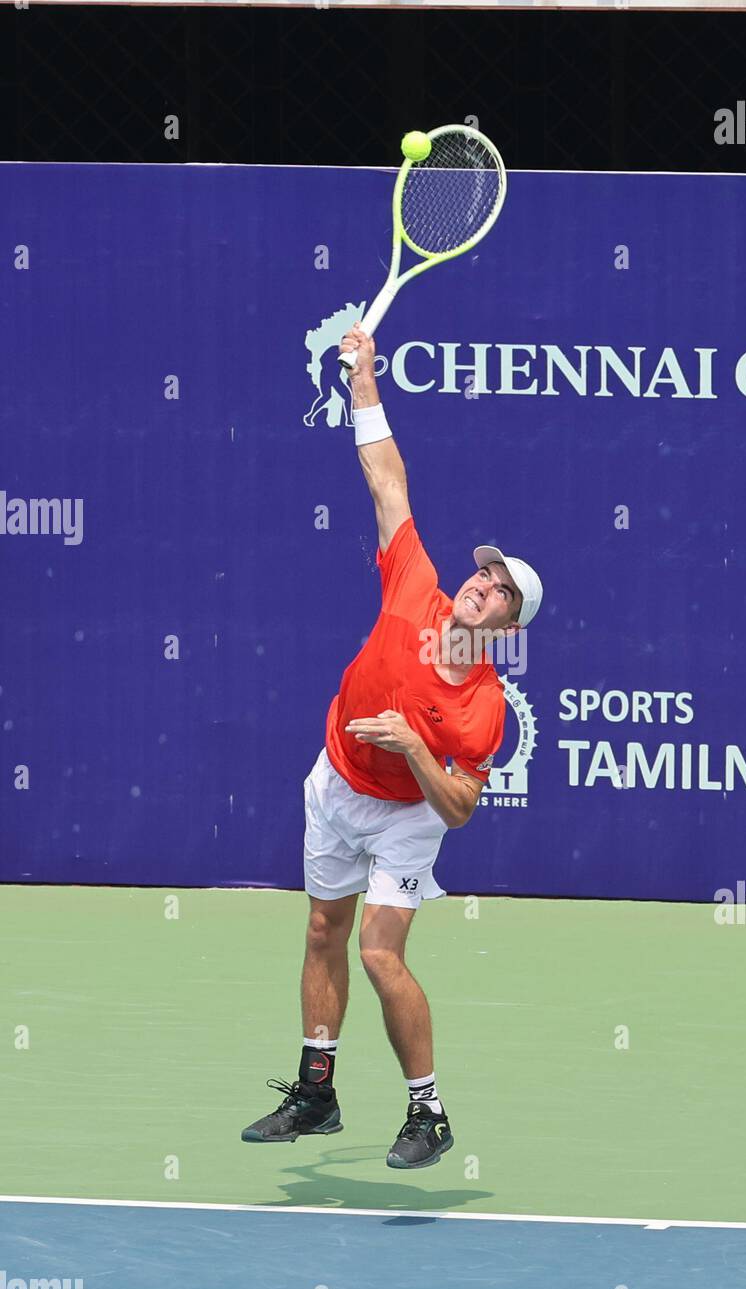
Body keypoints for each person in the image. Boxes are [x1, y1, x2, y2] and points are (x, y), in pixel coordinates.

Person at [241, 322, 543, 1168]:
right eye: (484, 573)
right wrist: (363, 378)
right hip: (334, 780)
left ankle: (428, 1114)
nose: (482, 583)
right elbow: (386, 479)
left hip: (406, 814)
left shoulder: (485, 707)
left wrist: (414, 745)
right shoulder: (416, 582)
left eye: (500, 589)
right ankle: (317, 1092)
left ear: (510, 625)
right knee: (320, 933)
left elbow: (460, 810)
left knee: (378, 951)